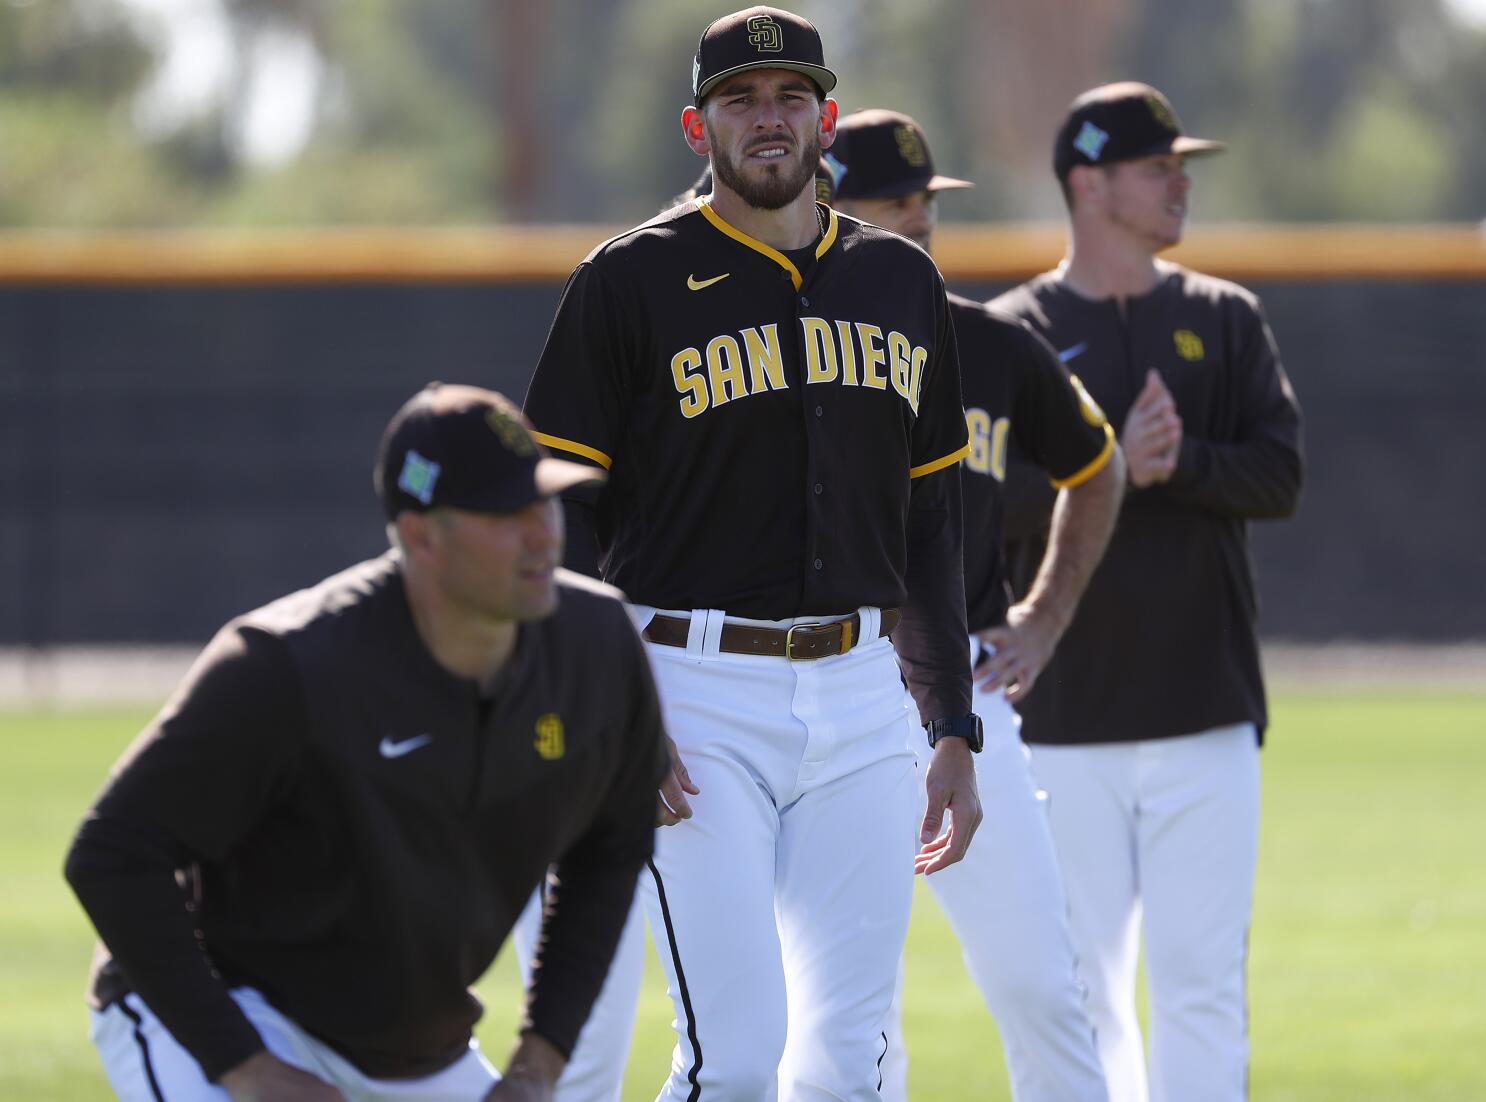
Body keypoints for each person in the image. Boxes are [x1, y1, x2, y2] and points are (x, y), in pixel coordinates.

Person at [523, 8, 984, 1098]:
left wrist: (953, 725)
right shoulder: (626, 280)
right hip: (691, 688)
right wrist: (612, 703)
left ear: (826, 116)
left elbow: (930, 522)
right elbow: (557, 520)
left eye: (788, 97)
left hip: (864, 695)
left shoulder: (900, 284)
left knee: (847, 1060)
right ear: (698, 128)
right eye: (740, 100)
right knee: (731, 1056)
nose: (766, 119)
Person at [65, 383, 669, 1102]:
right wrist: (246, 1066)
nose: (544, 532)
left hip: (415, 1049)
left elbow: (610, 849)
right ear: (421, 536)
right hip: (234, 1011)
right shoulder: (286, 664)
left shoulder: (598, 643)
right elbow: (110, 854)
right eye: (507, 512)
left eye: (543, 500)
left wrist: (538, 1066)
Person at [990, 82, 1305, 1102]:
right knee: (1078, 994)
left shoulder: (1223, 317)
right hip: (1060, 720)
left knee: (1201, 989)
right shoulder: (1014, 333)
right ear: (1089, 182)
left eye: (1180, 167)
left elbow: (1281, 475)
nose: (1179, 182)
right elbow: (982, 506)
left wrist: (1177, 467)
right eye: (1155, 166)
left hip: (1203, 710)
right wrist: (1107, 466)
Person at [831, 108, 1124, 1102]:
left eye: (925, 202)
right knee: (851, 1014)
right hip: (830, 698)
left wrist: (1041, 615)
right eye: (890, 203)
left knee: (1042, 981)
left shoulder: (991, 347)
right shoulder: (791, 358)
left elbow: (1098, 466)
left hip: (968, 699)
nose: (916, 220)